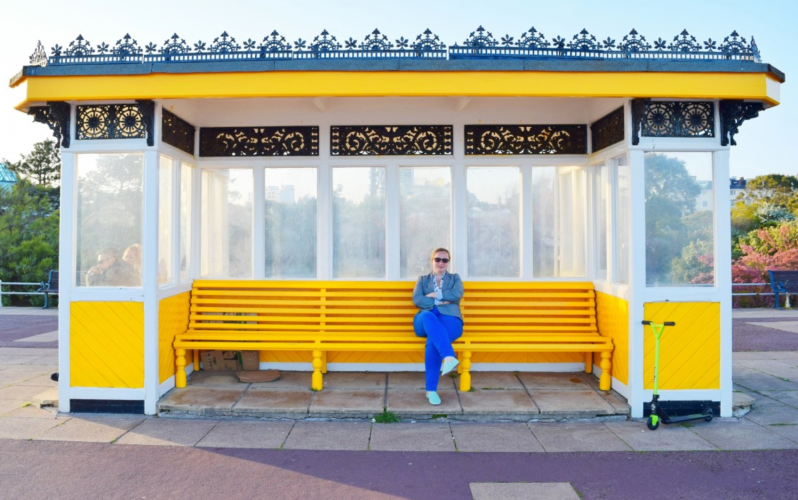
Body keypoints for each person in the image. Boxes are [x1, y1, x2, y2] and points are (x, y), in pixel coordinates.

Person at [412, 248, 464, 405]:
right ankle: (449, 356)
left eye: (445, 260)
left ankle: (431, 390)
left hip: (450, 318)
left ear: (448, 263)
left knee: (433, 342)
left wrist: (435, 295)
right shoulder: (422, 279)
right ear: (432, 260)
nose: (441, 263)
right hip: (425, 319)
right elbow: (417, 299)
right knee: (428, 316)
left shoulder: (455, 278)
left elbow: (457, 294)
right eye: (438, 259)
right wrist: (442, 301)